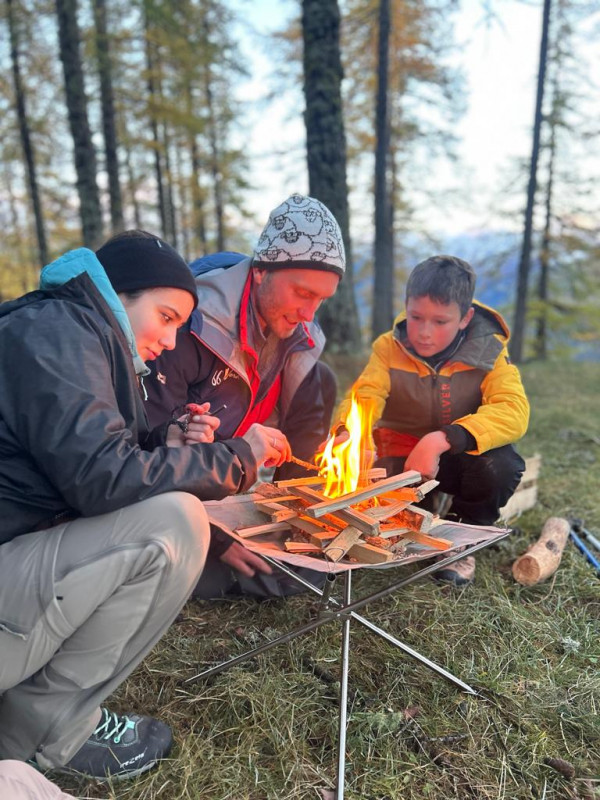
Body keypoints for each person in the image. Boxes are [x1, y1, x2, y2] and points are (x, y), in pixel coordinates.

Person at [0, 230, 289, 781]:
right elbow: (100, 479)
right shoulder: (56, 333)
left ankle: (38, 719)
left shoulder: (74, 336)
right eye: (167, 316)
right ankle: (39, 736)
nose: (173, 339)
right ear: (119, 294)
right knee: (176, 524)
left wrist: (167, 443)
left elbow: (69, 464)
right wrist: (236, 456)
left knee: (170, 510)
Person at [144, 194, 344, 599]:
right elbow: (151, 454)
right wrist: (217, 537)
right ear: (260, 272)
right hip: (178, 495)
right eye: (303, 293)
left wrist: (297, 526)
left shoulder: (299, 342)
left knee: (294, 574)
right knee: (206, 574)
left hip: (235, 483)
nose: (310, 312)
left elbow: (305, 435)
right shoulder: (189, 329)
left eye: (321, 299)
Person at [333, 254, 530, 585]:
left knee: (501, 467)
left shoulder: (489, 353)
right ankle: (420, 506)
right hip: (399, 458)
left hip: (456, 458)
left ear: (465, 318)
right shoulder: (389, 346)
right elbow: (365, 396)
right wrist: (349, 434)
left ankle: (460, 538)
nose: (425, 332)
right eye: (416, 317)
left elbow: (513, 409)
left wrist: (442, 439)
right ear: (406, 306)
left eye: (440, 322)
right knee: (380, 509)